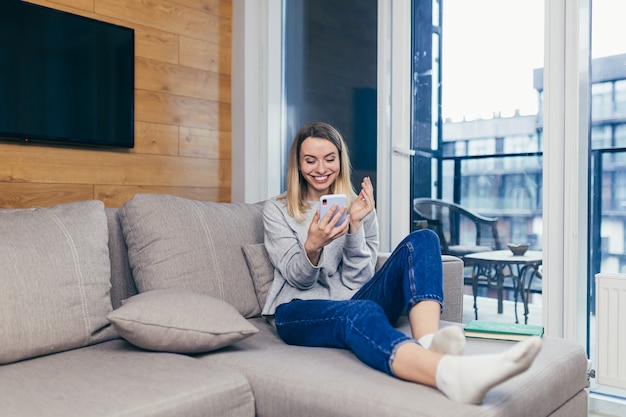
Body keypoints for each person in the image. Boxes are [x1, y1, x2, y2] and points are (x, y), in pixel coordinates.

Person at [261, 121, 542, 404]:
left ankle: (429, 343)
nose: (321, 169)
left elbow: (358, 281)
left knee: (423, 238)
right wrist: (312, 245)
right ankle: (449, 374)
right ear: (297, 165)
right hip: (296, 310)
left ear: (340, 162)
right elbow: (298, 279)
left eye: (329, 159)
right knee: (360, 311)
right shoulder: (277, 210)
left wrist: (355, 226)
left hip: (354, 296)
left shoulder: (359, 207)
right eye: (310, 161)